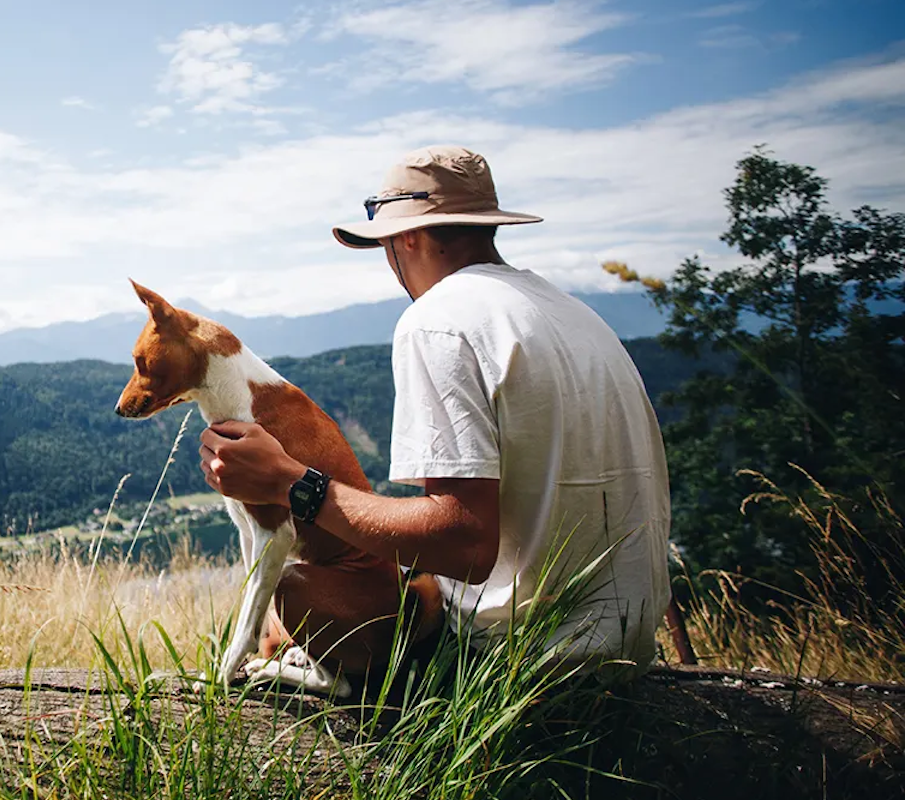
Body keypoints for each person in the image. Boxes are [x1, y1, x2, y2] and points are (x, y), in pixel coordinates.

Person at [198, 145, 672, 679]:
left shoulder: (439, 320)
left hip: (509, 662)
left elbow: (463, 543)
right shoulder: (580, 315)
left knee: (294, 592)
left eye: (385, 245)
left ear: (408, 238)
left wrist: (292, 483)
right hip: (623, 648)